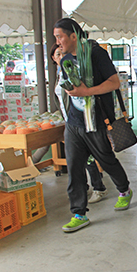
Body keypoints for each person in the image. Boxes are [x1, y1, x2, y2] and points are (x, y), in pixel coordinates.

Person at [53, 18, 133, 233]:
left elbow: (114, 83)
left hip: (95, 119)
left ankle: (124, 190)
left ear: (73, 36)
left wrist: (85, 91)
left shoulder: (96, 54)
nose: (58, 41)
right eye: (56, 37)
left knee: (106, 159)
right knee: (74, 167)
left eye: (60, 36)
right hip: (73, 121)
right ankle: (78, 213)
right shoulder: (66, 59)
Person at [50, 43, 107, 204]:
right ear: (53, 59)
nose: (61, 57)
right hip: (69, 120)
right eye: (58, 55)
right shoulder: (59, 74)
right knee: (76, 160)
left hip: (81, 121)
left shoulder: (72, 71)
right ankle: (85, 191)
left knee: (90, 156)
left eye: (62, 53)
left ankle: (99, 187)